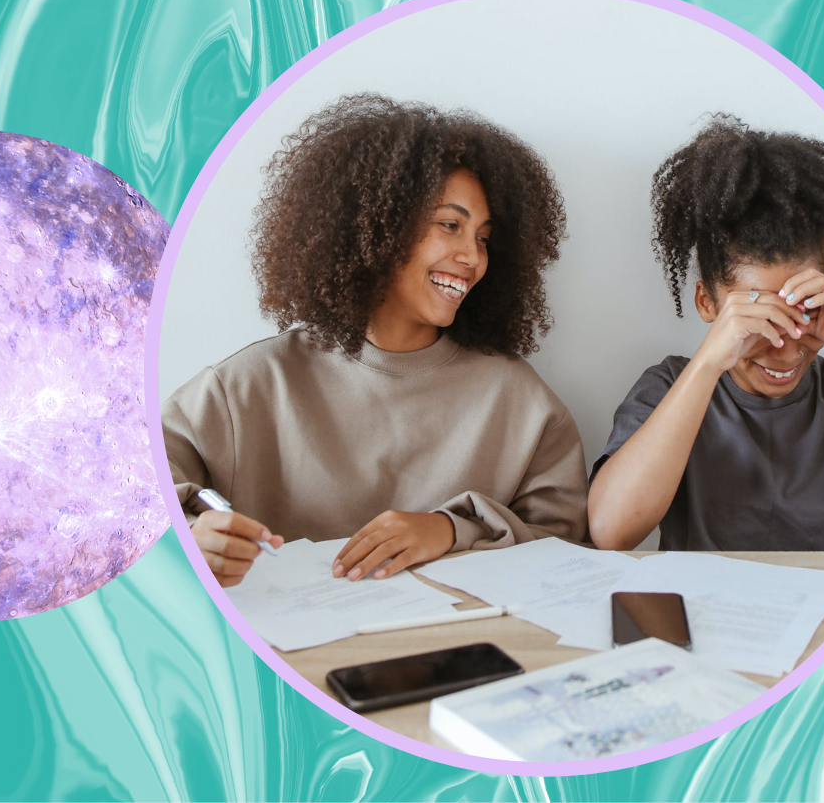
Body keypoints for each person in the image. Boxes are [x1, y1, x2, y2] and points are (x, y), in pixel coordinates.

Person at [162, 93, 587, 587]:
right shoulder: (251, 385)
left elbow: (567, 545)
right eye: (450, 225)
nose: (472, 256)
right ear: (376, 227)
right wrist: (192, 536)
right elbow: (131, 490)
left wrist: (451, 530)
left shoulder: (520, 401)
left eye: (484, 238)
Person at [589, 116, 824, 552]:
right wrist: (708, 363)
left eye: (803, 311)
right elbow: (610, 532)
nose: (785, 348)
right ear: (707, 303)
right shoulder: (671, 389)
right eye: (759, 318)